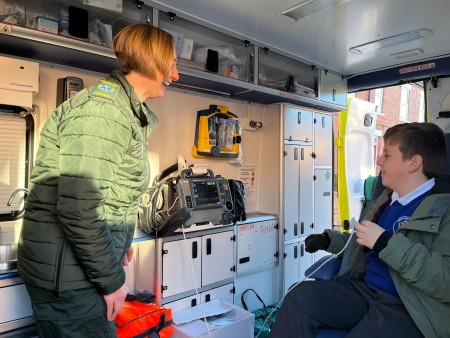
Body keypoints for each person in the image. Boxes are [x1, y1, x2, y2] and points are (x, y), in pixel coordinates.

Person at [17, 23, 179, 337]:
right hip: (71, 279)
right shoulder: (104, 112)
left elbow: (108, 195)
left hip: (76, 270)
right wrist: (111, 281)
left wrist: (121, 240)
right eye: (172, 64)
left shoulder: (119, 109)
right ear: (153, 62)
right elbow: (79, 210)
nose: (175, 75)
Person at [269, 122, 450, 338]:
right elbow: (363, 239)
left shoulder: (444, 212)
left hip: (408, 307)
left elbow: (444, 280)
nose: (379, 160)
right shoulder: (384, 200)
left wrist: (386, 244)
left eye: (387, 155)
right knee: (300, 296)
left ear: (413, 163)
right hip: (364, 291)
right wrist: (329, 240)